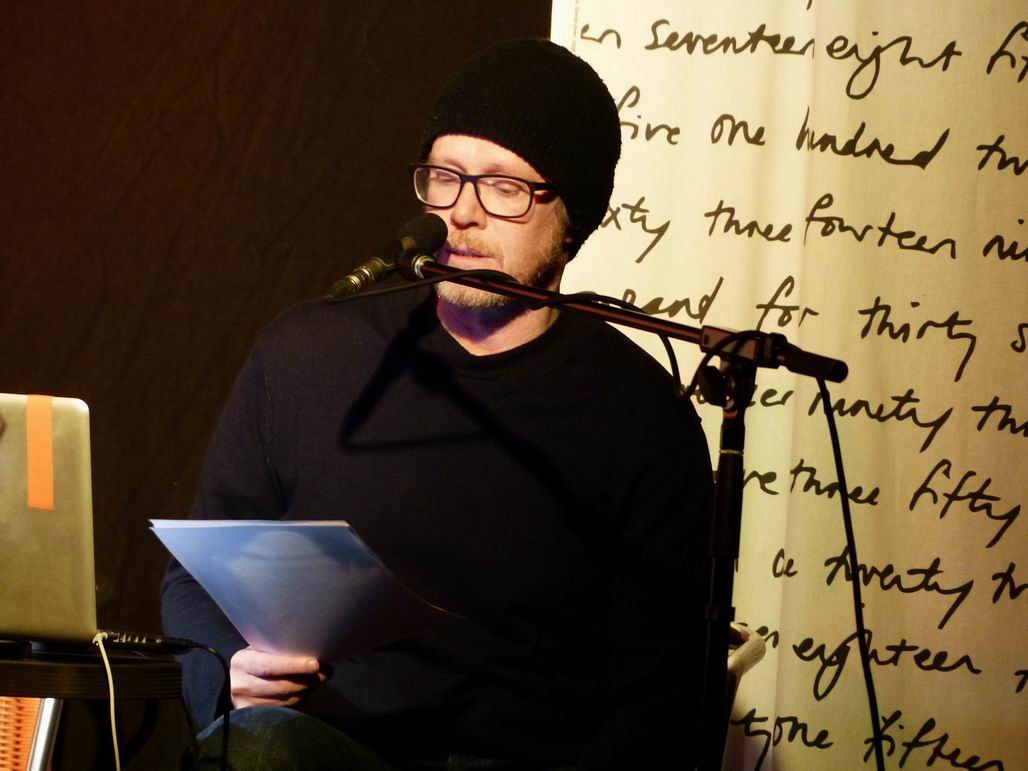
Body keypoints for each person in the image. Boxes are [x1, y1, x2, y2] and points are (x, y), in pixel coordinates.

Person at [161, 38, 713, 770]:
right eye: (446, 177)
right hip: (324, 748)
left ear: (571, 218)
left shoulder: (640, 413)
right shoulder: (311, 352)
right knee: (257, 746)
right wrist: (229, 665)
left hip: (524, 759)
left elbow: (661, 684)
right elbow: (197, 575)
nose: (463, 214)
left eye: (504, 187)